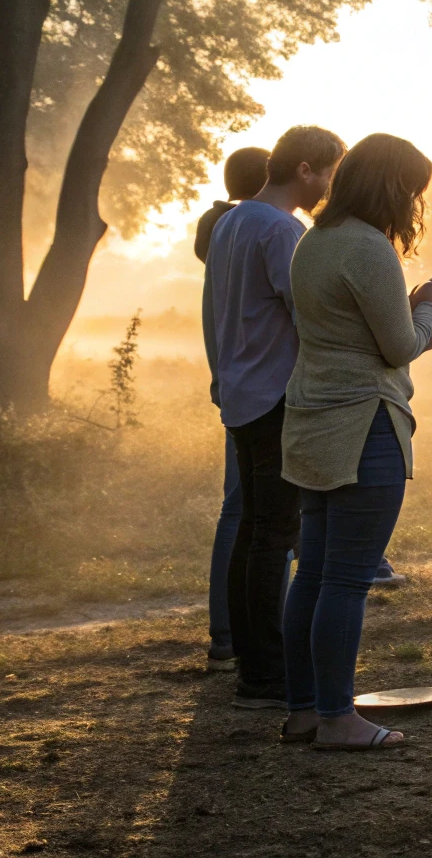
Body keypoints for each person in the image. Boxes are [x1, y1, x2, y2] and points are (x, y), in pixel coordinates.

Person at [278, 133, 432, 750]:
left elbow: (352, 327)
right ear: (392, 188)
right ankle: (338, 719)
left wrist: (403, 309)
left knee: (313, 576)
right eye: (412, 192)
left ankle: (305, 710)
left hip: (313, 422)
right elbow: (400, 347)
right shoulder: (369, 248)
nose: (414, 207)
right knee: (347, 581)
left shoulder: (316, 241)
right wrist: (430, 307)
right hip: (365, 426)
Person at [203, 125, 344, 708]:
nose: (331, 186)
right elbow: (309, 308)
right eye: (330, 173)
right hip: (274, 394)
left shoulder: (233, 221)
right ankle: (265, 673)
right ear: (307, 169)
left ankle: (249, 658)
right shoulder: (283, 229)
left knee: (254, 532)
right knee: (275, 537)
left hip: (239, 390)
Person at [194, 145, 270, 672]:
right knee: (258, 513)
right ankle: (249, 635)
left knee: (239, 509)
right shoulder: (254, 236)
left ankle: (227, 632)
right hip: (263, 392)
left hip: (235, 387)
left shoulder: (221, 236)